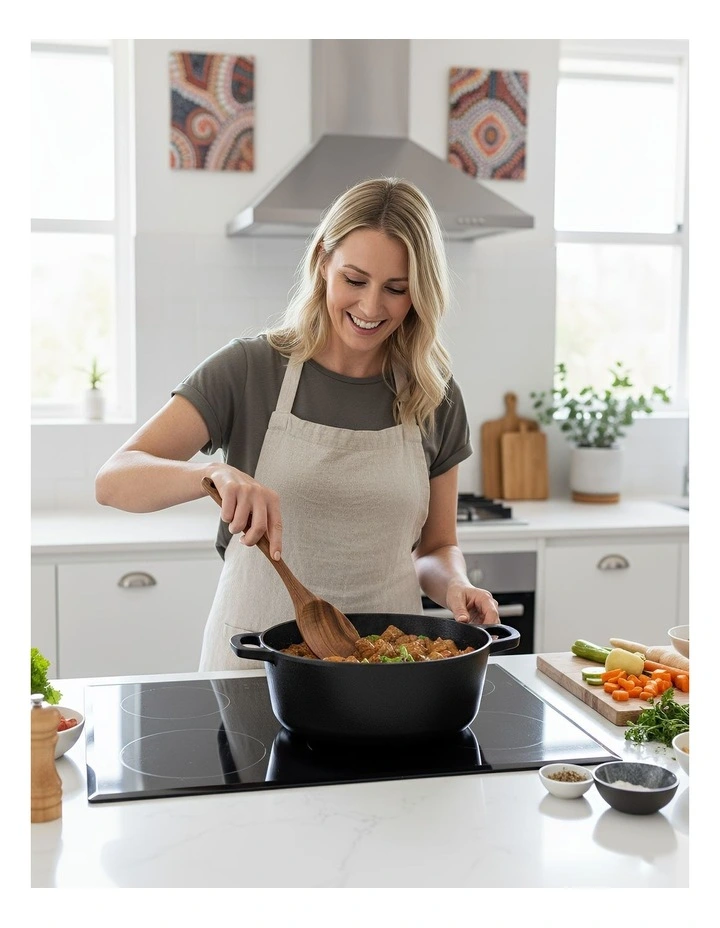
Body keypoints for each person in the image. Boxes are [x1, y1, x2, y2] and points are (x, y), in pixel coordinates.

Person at [95, 176, 500, 671]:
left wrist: (455, 583)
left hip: (389, 675)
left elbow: (436, 547)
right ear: (322, 262)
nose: (371, 307)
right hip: (255, 664)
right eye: (354, 280)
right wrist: (210, 477)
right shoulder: (249, 370)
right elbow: (114, 480)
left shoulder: (432, 394)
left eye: (396, 289)